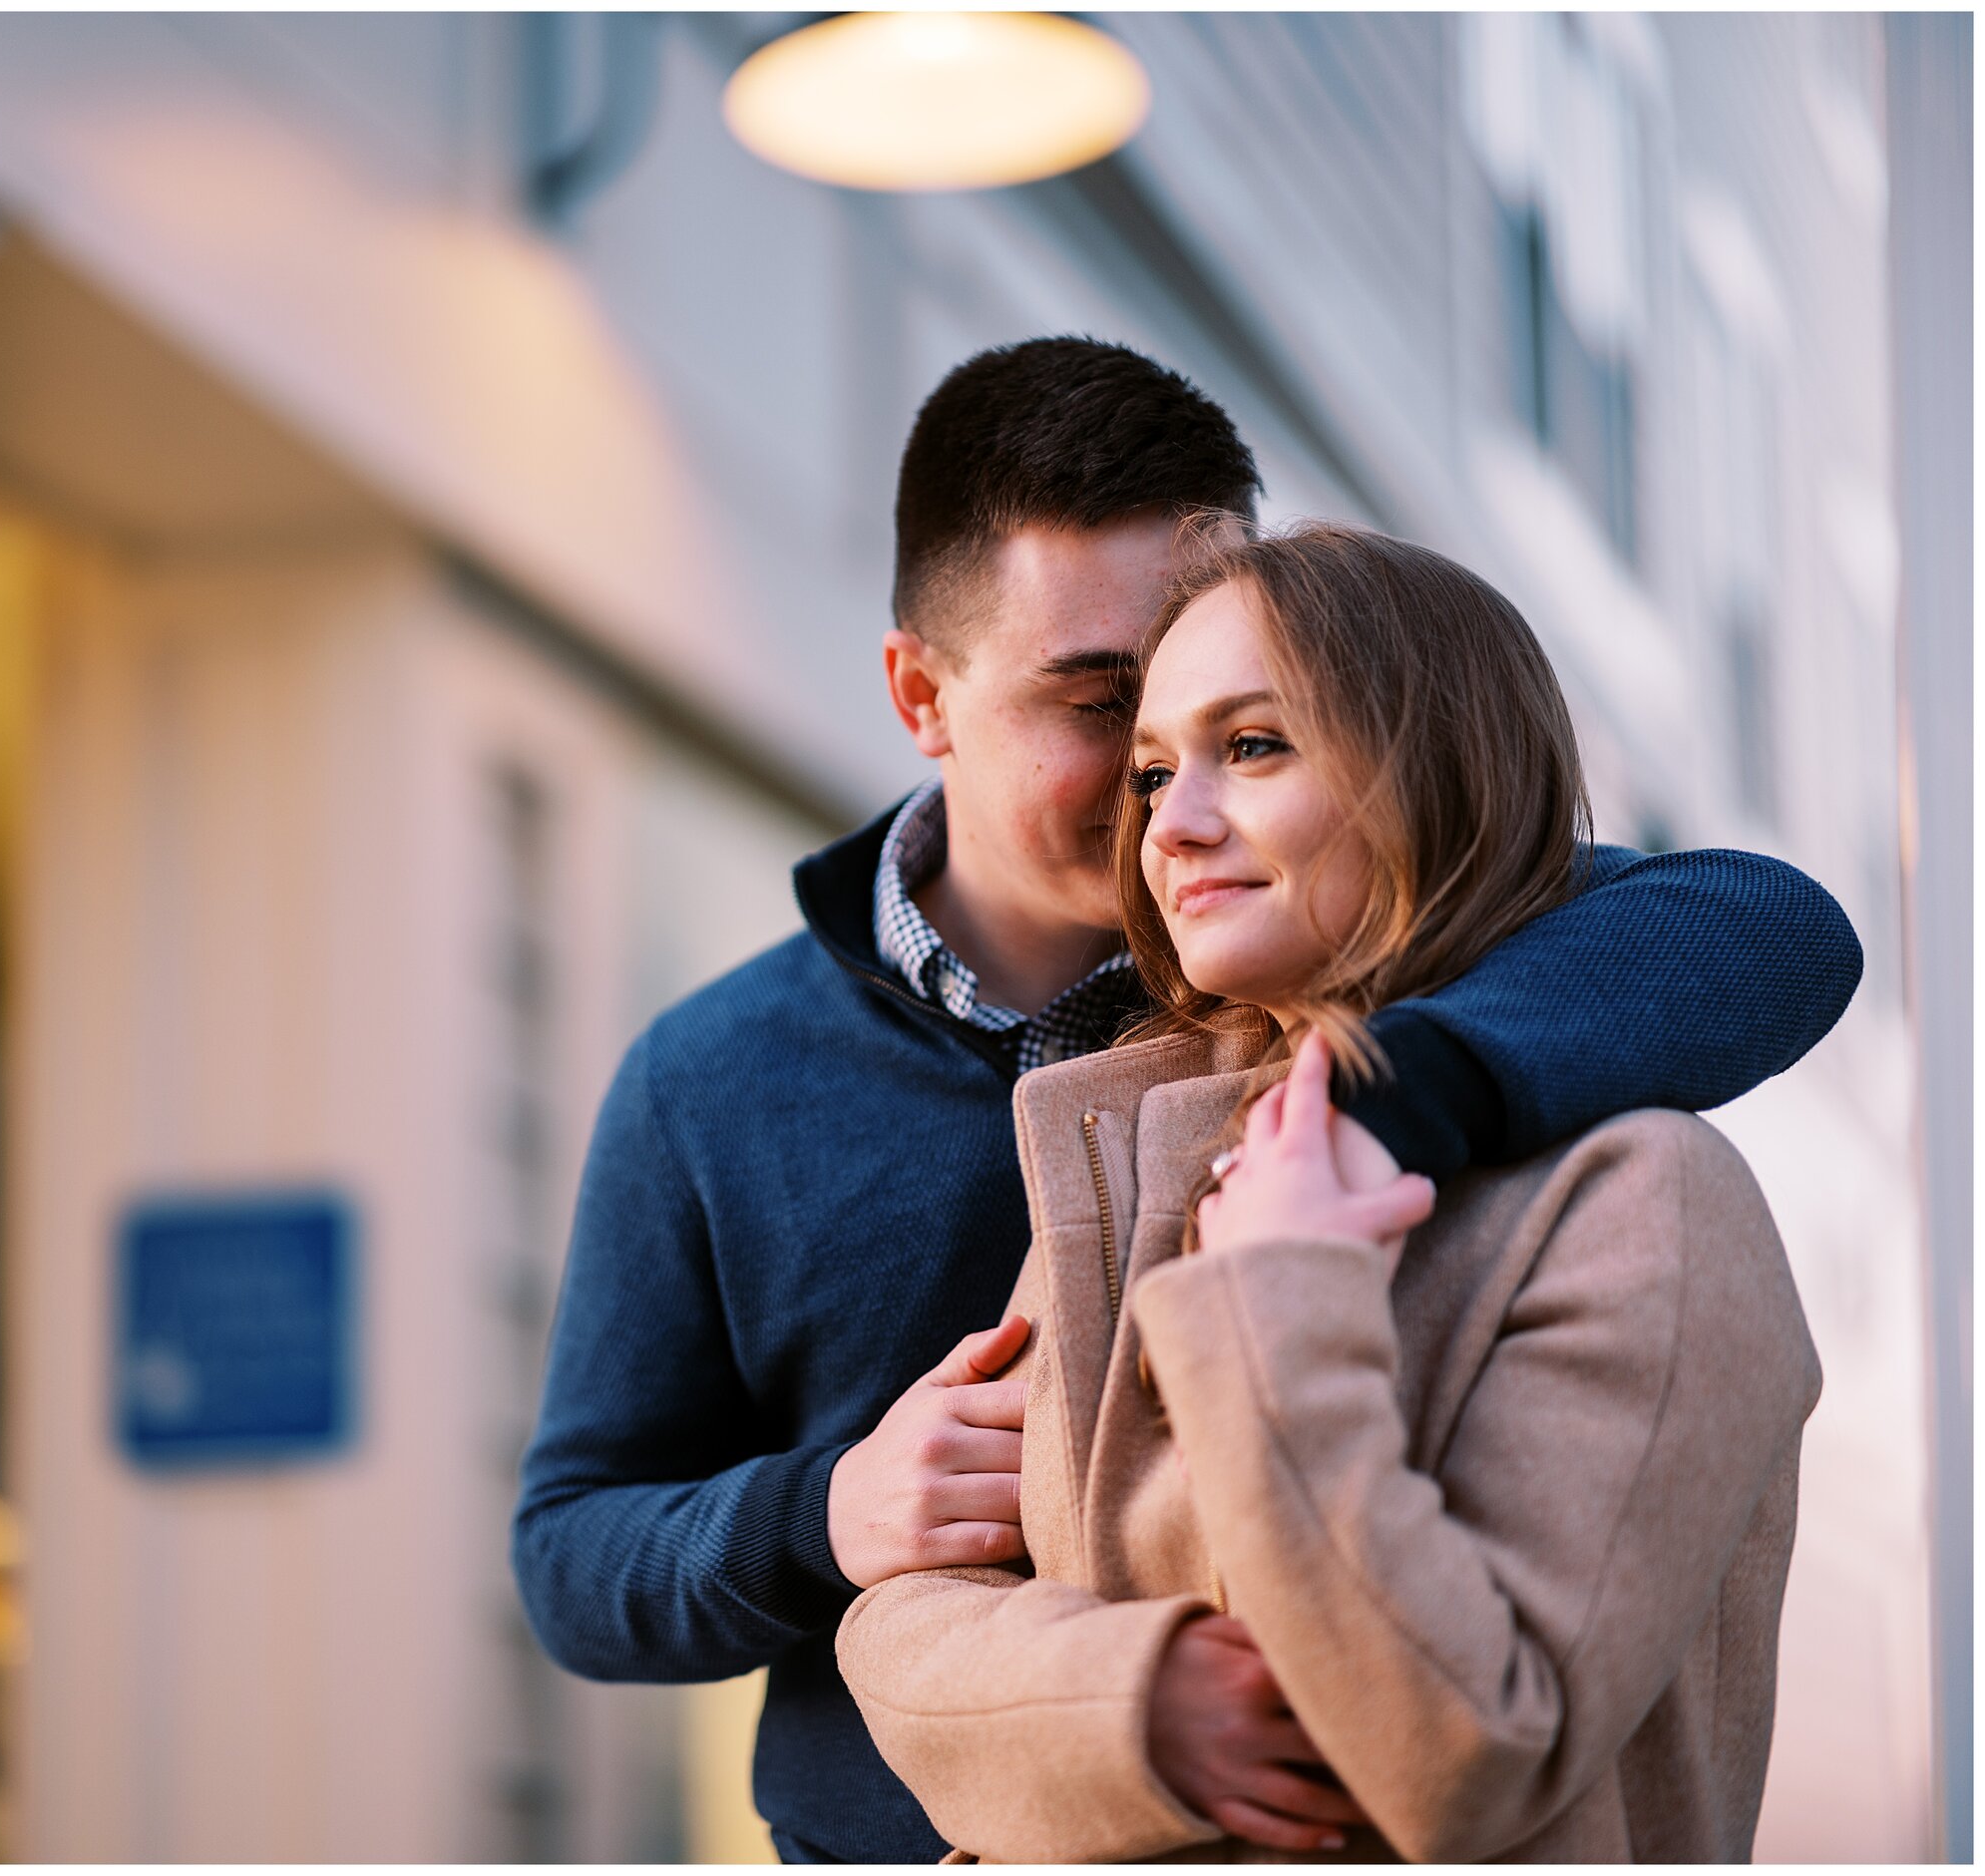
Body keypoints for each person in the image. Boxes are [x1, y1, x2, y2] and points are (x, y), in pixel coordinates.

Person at [511, 338, 1861, 1865]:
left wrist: (1370, 1097)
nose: (1168, 800)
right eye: (1112, 715)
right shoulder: (711, 1079)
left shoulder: (1307, 972)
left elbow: (1764, 921)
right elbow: (571, 1552)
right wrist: (826, 1513)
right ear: (920, 694)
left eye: (1249, 722)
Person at [835, 520, 1821, 1862]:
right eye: (1152, 767)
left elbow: (1469, 1748)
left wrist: (1274, 1299)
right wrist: (1137, 1704)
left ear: (1436, 770)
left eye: (1253, 746)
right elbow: (903, 1621)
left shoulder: (1649, 1205)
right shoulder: (1132, 1142)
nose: (1172, 824)